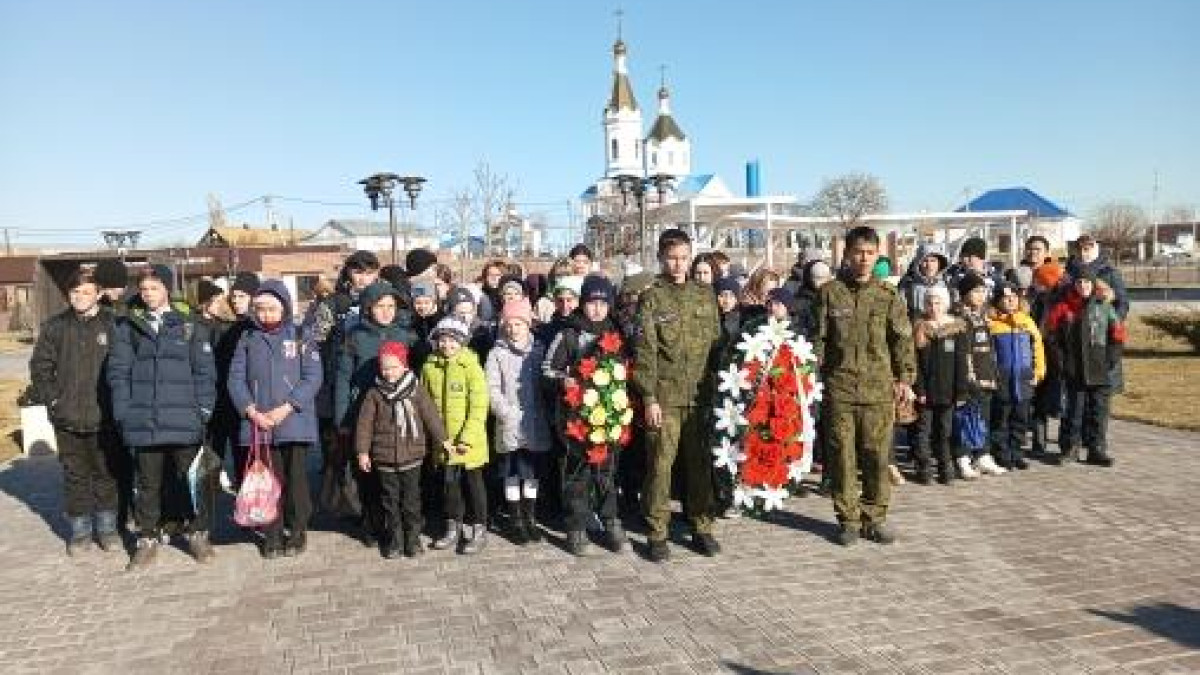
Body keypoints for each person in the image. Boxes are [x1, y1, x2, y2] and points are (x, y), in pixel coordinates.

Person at [107, 266, 217, 570]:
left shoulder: (189, 325)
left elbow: (205, 373)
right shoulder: (129, 327)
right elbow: (118, 373)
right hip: (144, 421)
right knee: (147, 484)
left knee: (192, 481)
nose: (148, 294)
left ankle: (197, 534)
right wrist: (123, 413)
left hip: (185, 420)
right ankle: (147, 539)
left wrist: (203, 410)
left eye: (154, 288)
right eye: (143, 289)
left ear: (167, 289)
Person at [814, 226, 916, 546]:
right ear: (847, 254)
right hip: (840, 388)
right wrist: (810, 376)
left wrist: (905, 378)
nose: (864, 259)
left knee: (876, 456)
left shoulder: (888, 295)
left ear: (877, 255)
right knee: (842, 457)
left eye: (870, 253)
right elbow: (818, 339)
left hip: (878, 390)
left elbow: (902, 340)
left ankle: (874, 517)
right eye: (858, 252)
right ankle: (848, 519)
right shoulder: (830, 293)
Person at [634, 228, 722, 562]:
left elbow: (716, 344)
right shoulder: (651, 298)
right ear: (661, 258)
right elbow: (645, 351)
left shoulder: (705, 295)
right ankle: (657, 531)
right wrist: (649, 398)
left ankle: (702, 525)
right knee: (660, 467)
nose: (678, 264)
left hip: (700, 397)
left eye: (684, 258)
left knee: (700, 464)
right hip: (665, 397)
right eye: (671, 258)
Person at [29, 268, 122, 555]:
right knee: (75, 476)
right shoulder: (55, 327)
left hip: (105, 417)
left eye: (86, 292)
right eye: (75, 292)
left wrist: (119, 403)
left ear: (99, 294)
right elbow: (40, 368)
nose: (80, 297)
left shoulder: (114, 324)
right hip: (67, 417)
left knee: (106, 475)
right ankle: (80, 533)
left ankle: (107, 530)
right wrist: (53, 400)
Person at [228, 281, 321, 558]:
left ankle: (298, 530)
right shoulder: (247, 338)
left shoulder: (301, 335)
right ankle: (272, 533)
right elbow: (235, 379)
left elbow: (313, 376)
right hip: (259, 423)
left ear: (285, 308)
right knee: (267, 481)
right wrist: (250, 410)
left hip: (293, 421)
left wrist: (288, 407)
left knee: (296, 481)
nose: (266, 314)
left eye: (272, 309)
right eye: (261, 309)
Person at [543, 275, 629, 555]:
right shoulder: (569, 333)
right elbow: (547, 370)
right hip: (576, 420)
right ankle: (576, 526)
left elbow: (626, 369)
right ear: (583, 304)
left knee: (606, 472)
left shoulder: (617, 332)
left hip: (608, 418)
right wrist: (563, 380)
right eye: (592, 303)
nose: (597, 309)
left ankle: (610, 521)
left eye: (603, 303)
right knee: (577, 474)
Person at [335, 280, 416, 546]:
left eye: (391, 306)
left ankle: (398, 526)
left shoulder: (404, 335)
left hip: (396, 414)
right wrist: (342, 418)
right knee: (366, 473)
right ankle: (371, 524)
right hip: (363, 413)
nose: (386, 311)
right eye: (380, 306)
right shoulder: (355, 337)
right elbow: (343, 379)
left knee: (393, 475)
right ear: (368, 308)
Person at [355, 341, 447, 559]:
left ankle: (412, 540)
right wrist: (362, 451)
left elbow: (431, 416)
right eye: (385, 368)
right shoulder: (374, 394)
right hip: (384, 458)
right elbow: (364, 424)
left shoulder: (416, 390)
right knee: (390, 502)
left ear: (404, 366)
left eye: (394, 367)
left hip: (412, 455)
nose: (389, 372)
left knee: (411, 501)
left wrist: (443, 440)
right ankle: (395, 541)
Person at [485, 298, 552, 545]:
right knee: (511, 472)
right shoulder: (497, 353)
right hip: (510, 423)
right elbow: (491, 388)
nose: (514, 329)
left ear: (528, 324)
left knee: (532, 472)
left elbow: (546, 382)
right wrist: (505, 412)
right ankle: (515, 520)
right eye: (510, 324)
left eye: (519, 324)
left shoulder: (539, 350)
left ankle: (530, 517)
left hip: (536, 422)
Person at [422, 316, 491, 554]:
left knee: (474, 485)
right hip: (444, 441)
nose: (447, 345)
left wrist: (466, 439)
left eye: (452, 340)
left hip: (469, 441)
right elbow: (425, 405)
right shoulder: (429, 367)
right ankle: (453, 526)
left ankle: (479, 528)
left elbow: (479, 405)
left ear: (462, 342)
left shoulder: (471, 366)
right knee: (450, 486)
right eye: (442, 339)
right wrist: (438, 437)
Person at [1047, 270, 1125, 466]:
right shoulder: (1063, 307)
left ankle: (1096, 449)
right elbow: (1051, 336)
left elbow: (1118, 335)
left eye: (1087, 282)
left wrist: (1110, 359)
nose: (1083, 286)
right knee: (1074, 411)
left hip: (1099, 368)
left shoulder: (1104, 307)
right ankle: (1070, 449)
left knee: (1098, 412)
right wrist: (1061, 361)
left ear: (1093, 284)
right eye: (1079, 282)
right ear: (1074, 285)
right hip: (1074, 369)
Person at [911, 287, 969, 485]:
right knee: (923, 431)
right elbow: (915, 363)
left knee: (945, 431)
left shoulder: (956, 328)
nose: (933, 307)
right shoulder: (920, 328)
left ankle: (945, 465)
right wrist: (919, 389)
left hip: (948, 391)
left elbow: (961, 362)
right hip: (926, 392)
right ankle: (924, 467)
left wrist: (961, 391)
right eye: (929, 303)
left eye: (937, 303)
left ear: (945, 304)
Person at [988, 282, 1045, 471]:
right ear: (998, 301)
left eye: (1014, 297)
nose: (1010, 301)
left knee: (1020, 418)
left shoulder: (1027, 322)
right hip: (1002, 378)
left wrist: (1038, 371)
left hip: (1023, 378)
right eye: (1006, 298)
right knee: (1001, 418)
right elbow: (988, 354)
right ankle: (1001, 453)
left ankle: (1017, 452)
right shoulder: (992, 325)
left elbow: (1037, 347)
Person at [954, 273, 1006, 479]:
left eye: (983, 291)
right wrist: (969, 377)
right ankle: (963, 457)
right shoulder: (960, 318)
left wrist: (993, 373)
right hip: (969, 378)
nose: (981, 295)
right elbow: (964, 351)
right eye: (976, 291)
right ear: (965, 294)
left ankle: (982, 455)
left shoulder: (983, 317)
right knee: (966, 419)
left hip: (987, 376)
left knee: (983, 419)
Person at [1029, 261, 1068, 458]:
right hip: (1042, 353)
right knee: (1039, 400)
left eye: (1040, 282)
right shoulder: (1039, 300)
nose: (1037, 285)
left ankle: (1065, 444)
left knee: (1062, 402)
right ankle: (1039, 443)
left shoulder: (1064, 301)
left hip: (1058, 356)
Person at [1068, 234, 1129, 319]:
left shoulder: (1109, 272)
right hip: (1075, 322)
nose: (1082, 253)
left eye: (1086, 249)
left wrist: (1113, 322)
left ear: (1094, 249)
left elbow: (1122, 303)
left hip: (1102, 321)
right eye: (1079, 250)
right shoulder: (1070, 271)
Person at [898, 243, 950, 321]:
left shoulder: (948, 282)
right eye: (925, 261)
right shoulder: (907, 284)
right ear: (918, 263)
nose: (929, 265)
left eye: (933, 261)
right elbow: (901, 312)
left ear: (939, 263)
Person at [947, 237, 1003, 303]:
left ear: (981, 258)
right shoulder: (953, 275)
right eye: (964, 256)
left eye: (971, 256)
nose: (965, 260)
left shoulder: (996, 278)